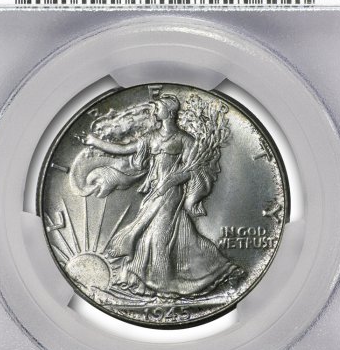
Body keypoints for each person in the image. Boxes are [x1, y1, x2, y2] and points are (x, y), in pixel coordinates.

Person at [83, 94, 243, 297]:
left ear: (169, 112)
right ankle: (210, 270)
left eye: (158, 108)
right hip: (153, 193)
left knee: (158, 238)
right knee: (155, 237)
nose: (155, 112)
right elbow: (124, 149)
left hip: (171, 194)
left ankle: (165, 285)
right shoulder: (151, 137)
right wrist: (95, 142)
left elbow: (192, 170)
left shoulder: (185, 140)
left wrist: (170, 182)